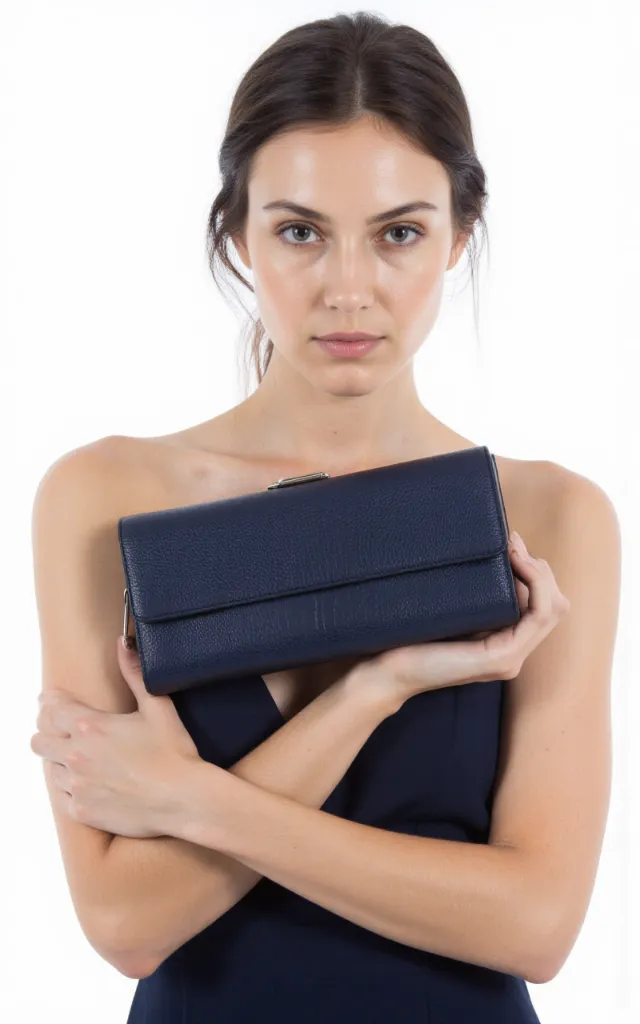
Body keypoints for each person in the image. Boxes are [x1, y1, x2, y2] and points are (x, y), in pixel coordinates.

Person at [29, 11, 621, 1023]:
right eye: (299, 230)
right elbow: (126, 925)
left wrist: (198, 803)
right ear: (237, 231)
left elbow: (538, 922)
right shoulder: (104, 499)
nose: (349, 290)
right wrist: (376, 688)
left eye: (399, 233)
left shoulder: (549, 516)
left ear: (459, 235)